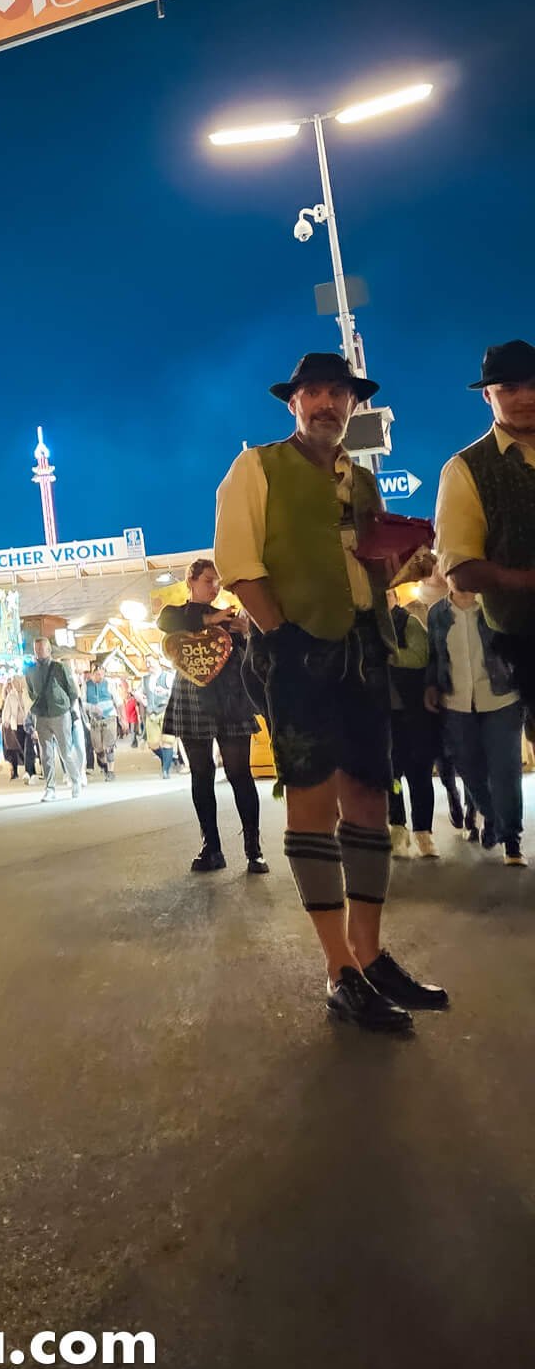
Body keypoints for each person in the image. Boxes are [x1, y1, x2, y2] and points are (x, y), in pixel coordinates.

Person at [214, 351, 445, 1032]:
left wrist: (403, 565)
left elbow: (371, 568)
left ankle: (371, 957)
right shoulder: (255, 468)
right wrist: (281, 635)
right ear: (294, 403)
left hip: (365, 653)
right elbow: (239, 562)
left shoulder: (361, 481)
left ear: (352, 404)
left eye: (338, 393)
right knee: (313, 802)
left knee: (371, 798)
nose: (326, 403)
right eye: (314, 392)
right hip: (297, 655)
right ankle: (339, 969)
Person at [434, 338, 535, 712]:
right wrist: (527, 581)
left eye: (533, 385)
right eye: (509, 388)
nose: (525, 397)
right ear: (487, 396)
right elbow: (460, 570)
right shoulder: (465, 469)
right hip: (525, 640)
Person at [157, 559, 265, 873]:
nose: (214, 586)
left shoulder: (229, 616)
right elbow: (166, 621)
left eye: (217, 582)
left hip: (230, 696)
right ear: (190, 581)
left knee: (239, 773)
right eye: (207, 580)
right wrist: (210, 618)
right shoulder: (177, 613)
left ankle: (254, 849)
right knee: (200, 774)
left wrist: (245, 633)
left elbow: (247, 654)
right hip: (193, 698)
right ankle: (211, 848)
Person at [426, 579, 525, 866]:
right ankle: (491, 816)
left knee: (505, 770)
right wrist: (430, 685)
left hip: (502, 698)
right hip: (456, 703)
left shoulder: (494, 607)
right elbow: (434, 656)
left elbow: (517, 646)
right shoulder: (437, 614)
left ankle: (511, 840)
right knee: (468, 768)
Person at [386, 571, 442, 859]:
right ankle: (398, 829)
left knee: (419, 775)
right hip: (385, 719)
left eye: (387, 594)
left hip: (413, 715)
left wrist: (386, 656)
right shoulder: (366, 628)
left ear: (395, 597)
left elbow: (419, 657)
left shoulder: (408, 623)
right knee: (392, 776)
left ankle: (423, 833)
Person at [27, 635, 81, 800]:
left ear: (49, 650)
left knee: (66, 751)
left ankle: (76, 780)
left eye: (42, 649)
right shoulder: (30, 670)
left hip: (60, 712)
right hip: (41, 714)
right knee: (46, 754)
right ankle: (50, 788)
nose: (39, 652)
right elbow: (31, 692)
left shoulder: (60, 667)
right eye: (37, 649)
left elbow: (72, 691)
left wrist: (68, 708)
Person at [82, 661, 118, 779]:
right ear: (92, 674)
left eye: (102, 673)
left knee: (109, 745)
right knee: (98, 748)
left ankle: (111, 771)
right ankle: (103, 763)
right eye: (97, 674)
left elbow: (118, 701)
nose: (100, 676)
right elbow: (82, 703)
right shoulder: (86, 686)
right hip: (95, 720)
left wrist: (123, 718)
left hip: (109, 717)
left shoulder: (109, 684)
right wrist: (92, 708)